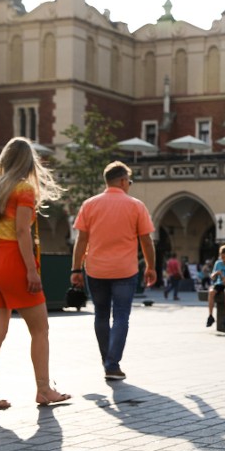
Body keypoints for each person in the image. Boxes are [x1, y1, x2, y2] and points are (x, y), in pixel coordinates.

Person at [0, 137, 71, 410]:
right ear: (29, 162)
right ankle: (43, 390)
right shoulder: (24, 188)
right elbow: (21, 231)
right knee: (40, 328)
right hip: (13, 261)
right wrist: (31, 270)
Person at [71, 161, 157, 381]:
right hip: (125, 271)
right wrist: (151, 266)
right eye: (129, 180)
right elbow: (146, 240)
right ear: (121, 180)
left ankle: (107, 361)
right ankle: (112, 364)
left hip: (96, 269)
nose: (129, 184)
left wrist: (75, 269)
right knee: (121, 316)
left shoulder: (89, 205)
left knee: (100, 314)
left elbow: (81, 240)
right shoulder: (136, 205)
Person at [206, 244, 225, 328]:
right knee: (211, 292)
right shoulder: (218, 263)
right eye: (222, 257)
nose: (224, 260)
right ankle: (210, 315)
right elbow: (212, 276)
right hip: (220, 283)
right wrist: (216, 273)